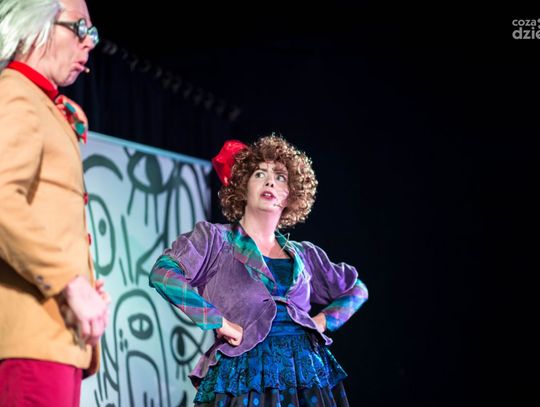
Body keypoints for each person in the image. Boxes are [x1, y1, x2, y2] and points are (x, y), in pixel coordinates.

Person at [150, 134, 369, 406]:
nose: (270, 182)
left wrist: (323, 321)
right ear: (243, 186)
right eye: (259, 174)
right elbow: (163, 273)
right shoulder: (216, 240)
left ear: (290, 195)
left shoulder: (305, 254)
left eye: (280, 177)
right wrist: (217, 321)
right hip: (244, 376)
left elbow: (357, 289)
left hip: (305, 377)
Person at [0, 0, 109, 405]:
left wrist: (83, 285)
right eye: (80, 28)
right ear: (37, 23)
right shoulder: (16, 93)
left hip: (54, 339)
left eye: (93, 33)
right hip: (30, 340)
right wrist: (70, 282)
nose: (89, 43)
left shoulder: (42, 104)